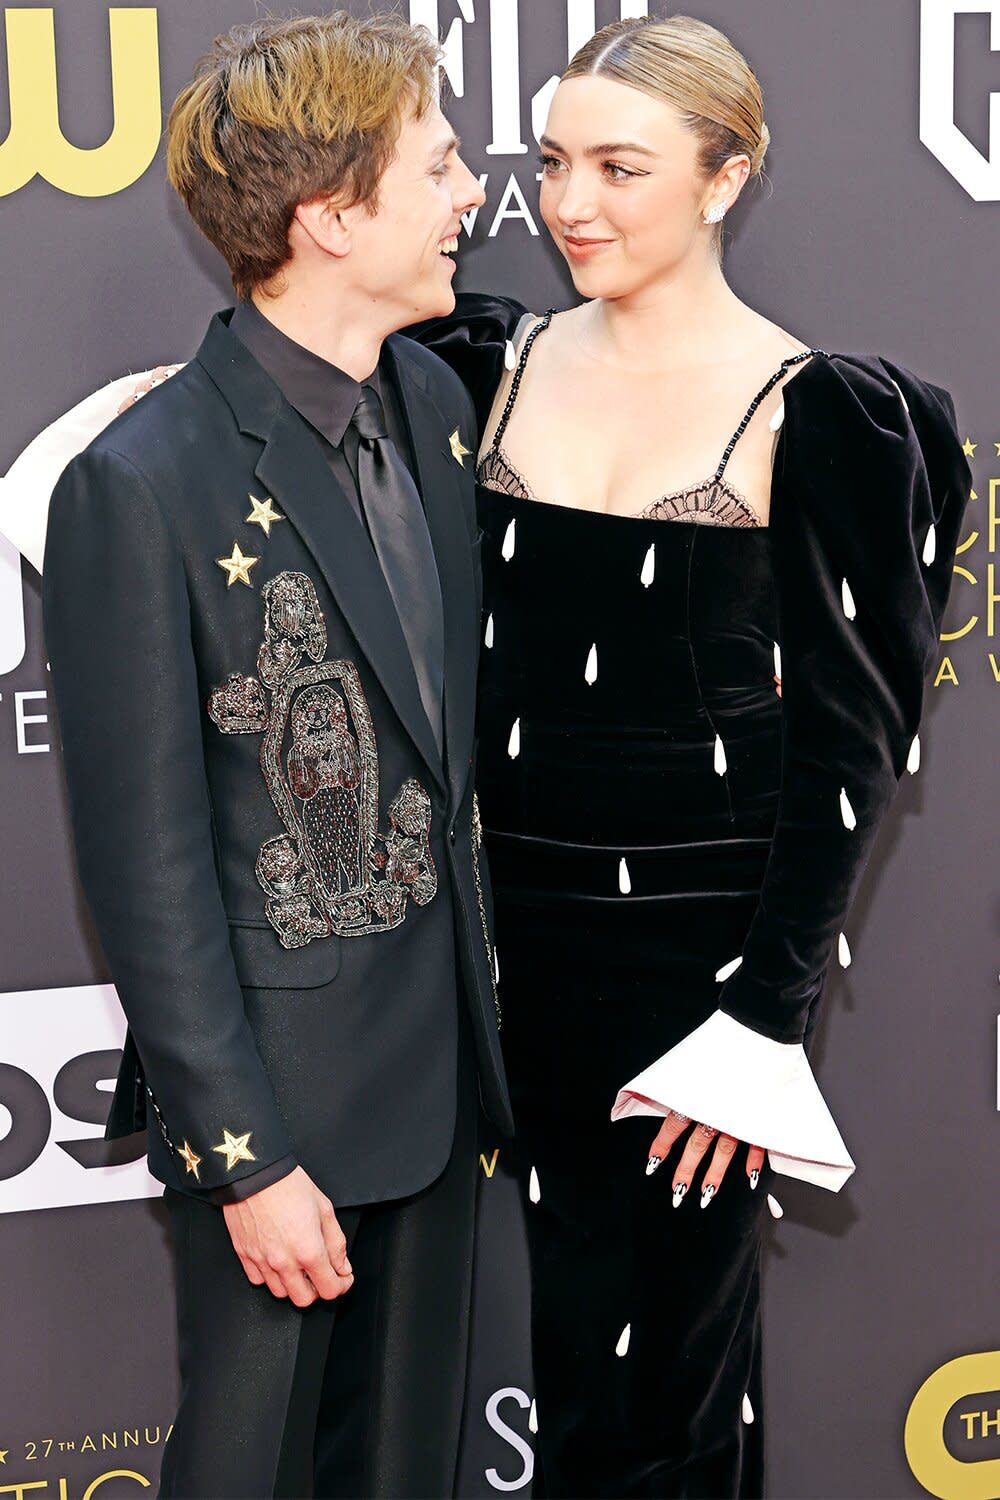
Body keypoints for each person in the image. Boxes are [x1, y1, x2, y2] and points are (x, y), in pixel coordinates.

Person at [405, 14, 970, 1497]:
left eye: (620, 167)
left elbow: (856, 749)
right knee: (574, 1345)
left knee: (662, 1389)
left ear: (727, 178)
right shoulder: (480, 364)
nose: (569, 205)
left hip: (695, 976)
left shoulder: (827, 413)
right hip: (493, 945)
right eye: (553, 165)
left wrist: (761, 1024)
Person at [36, 13, 511, 1499]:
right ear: (329, 218)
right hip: (283, 1119)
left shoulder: (431, 402)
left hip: (440, 1091)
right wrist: (245, 1158)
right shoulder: (143, 481)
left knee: (406, 1473)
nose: (469, 195)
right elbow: (148, 865)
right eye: (437, 166)